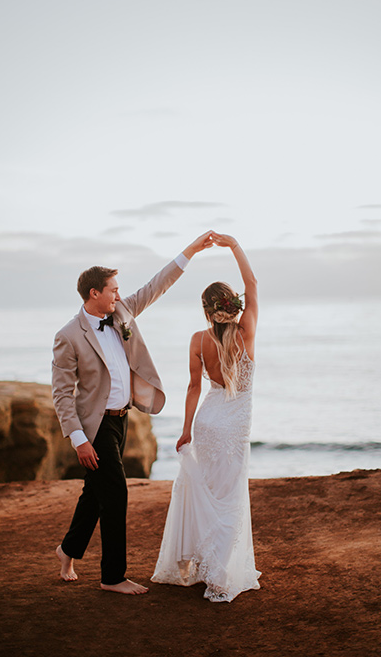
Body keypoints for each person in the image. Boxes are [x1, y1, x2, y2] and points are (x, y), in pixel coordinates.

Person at [52, 231, 214, 595]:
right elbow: (62, 394)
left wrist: (190, 250)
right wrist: (78, 439)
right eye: (112, 289)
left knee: (94, 494)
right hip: (94, 428)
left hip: (123, 420)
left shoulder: (122, 312)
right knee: (116, 493)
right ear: (95, 294)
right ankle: (112, 576)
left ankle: (67, 550)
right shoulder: (68, 336)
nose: (119, 294)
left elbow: (158, 285)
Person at [151, 233, 261, 602]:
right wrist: (233, 246)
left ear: (206, 310)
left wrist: (185, 431)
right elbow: (253, 283)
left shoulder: (198, 339)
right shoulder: (246, 331)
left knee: (209, 494)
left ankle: (205, 566)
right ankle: (219, 574)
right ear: (233, 304)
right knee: (229, 498)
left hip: (208, 422)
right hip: (234, 422)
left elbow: (193, 388)